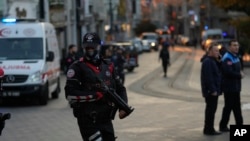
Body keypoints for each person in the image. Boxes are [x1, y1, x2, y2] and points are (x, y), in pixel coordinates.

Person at [64, 32, 130, 141]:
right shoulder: (76, 67)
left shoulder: (108, 66)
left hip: (105, 119)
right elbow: (70, 94)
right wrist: (94, 95)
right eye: (87, 47)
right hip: (88, 119)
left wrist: (123, 106)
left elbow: (120, 88)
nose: (90, 50)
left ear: (99, 46)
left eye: (93, 47)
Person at [219, 39, 245, 132]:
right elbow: (228, 72)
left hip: (236, 87)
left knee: (236, 107)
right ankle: (223, 126)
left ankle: (239, 126)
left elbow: (238, 68)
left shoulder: (235, 56)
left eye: (237, 45)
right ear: (230, 47)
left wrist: (240, 72)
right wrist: (239, 75)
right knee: (229, 107)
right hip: (229, 87)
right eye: (234, 45)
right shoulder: (227, 57)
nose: (236, 47)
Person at [200, 43, 222, 135]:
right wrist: (213, 90)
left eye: (218, 51)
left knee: (211, 110)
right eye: (216, 51)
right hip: (211, 92)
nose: (218, 52)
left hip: (213, 90)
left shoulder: (212, 60)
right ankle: (209, 129)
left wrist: (219, 60)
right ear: (210, 51)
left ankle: (208, 128)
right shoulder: (208, 62)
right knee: (210, 111)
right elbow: (209, 78)